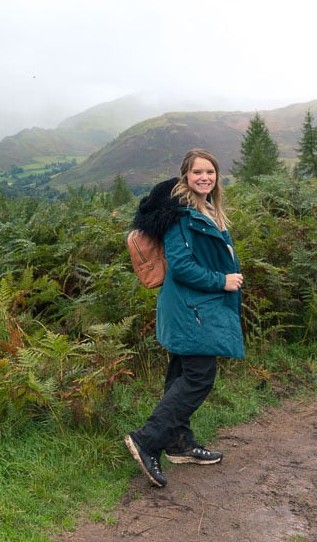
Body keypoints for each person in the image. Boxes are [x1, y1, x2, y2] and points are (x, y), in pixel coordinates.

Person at [124, 148, 244, 488]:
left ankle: (179, 443)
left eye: (210, 172)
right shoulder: (181, 215)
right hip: (192, 309)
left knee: (181, 374)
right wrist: (221, 281)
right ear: (185, 177)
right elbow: (180, 265)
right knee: (198, 377)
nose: (204, 177)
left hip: (193, 306)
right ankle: (147, 440)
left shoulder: (205, 210)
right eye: (197, 173)